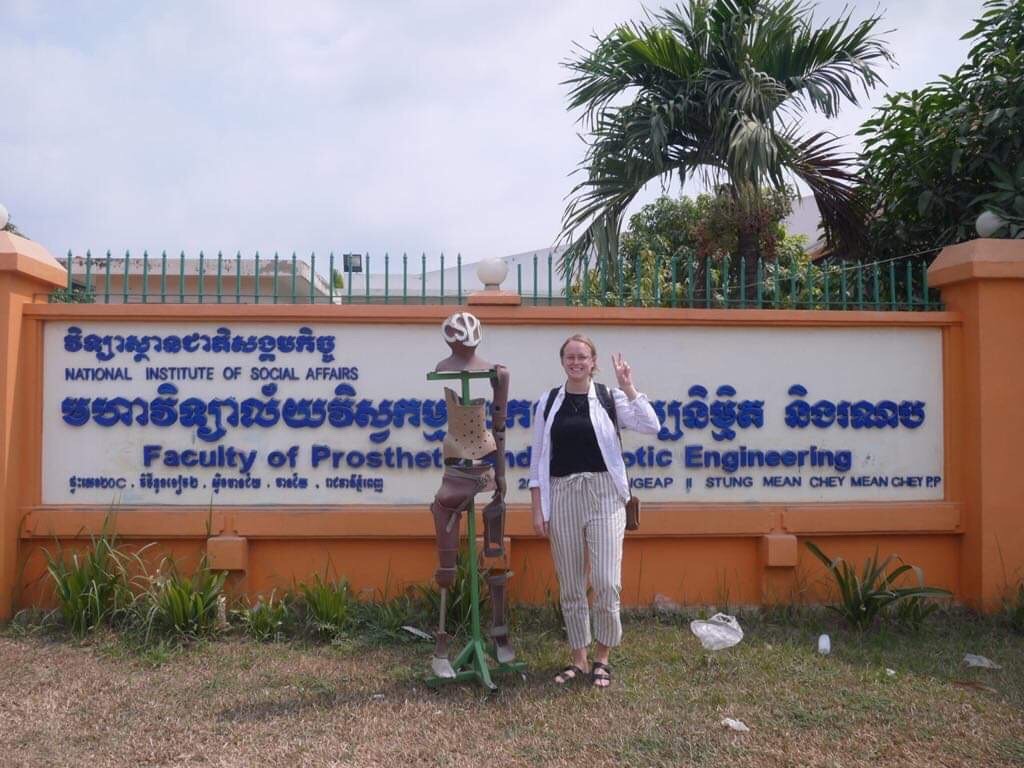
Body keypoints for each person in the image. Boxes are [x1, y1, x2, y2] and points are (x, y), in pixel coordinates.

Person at [528, 333, 661, 688]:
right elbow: (538, 456)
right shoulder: (548, 402)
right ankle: (579, 658)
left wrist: (629, 387)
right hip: (562, 493)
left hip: (604, 494)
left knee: (606, 581)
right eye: (570, 357)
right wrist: (537, 506)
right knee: (571, 582)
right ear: (562, 362)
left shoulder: (608, 397)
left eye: (582, 357)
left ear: (593, 362)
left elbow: (652, 425)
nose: (576, 362)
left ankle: (603, 657)